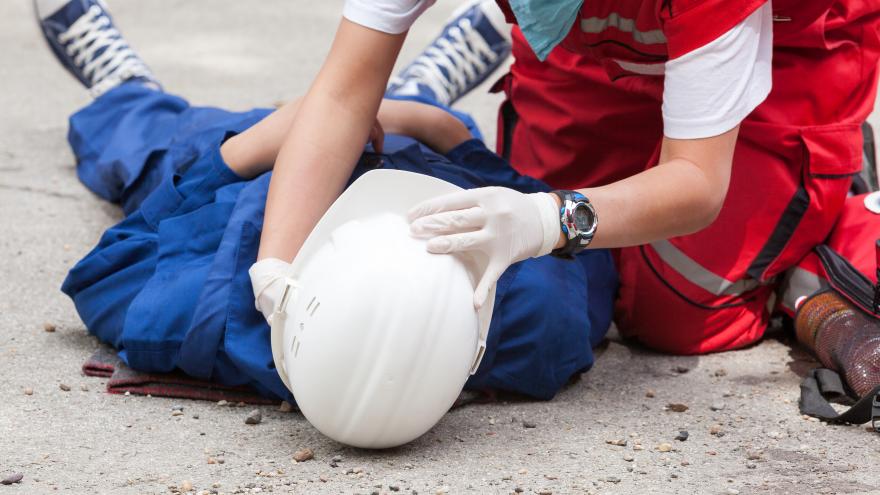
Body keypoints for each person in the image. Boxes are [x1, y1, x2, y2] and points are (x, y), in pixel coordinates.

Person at [37, 0, 617, 401]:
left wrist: (257, 144)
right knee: (399, 111)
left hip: (266, 165)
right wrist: (436, 126)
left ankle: (123, 86)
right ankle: (417, 89)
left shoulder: (214, 312)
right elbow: (545, 222)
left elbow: (107, 267)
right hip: (418, 149)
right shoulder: (538, 321)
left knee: (155, 146)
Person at [260, 0, 880, 355]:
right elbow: (341, 98)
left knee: (675, 316)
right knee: (563, 277)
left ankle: (839, 206)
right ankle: (435, 85)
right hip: (600, 42)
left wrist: (548, 218)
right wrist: (277, 268)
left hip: (785, 46)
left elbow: (695, 182)